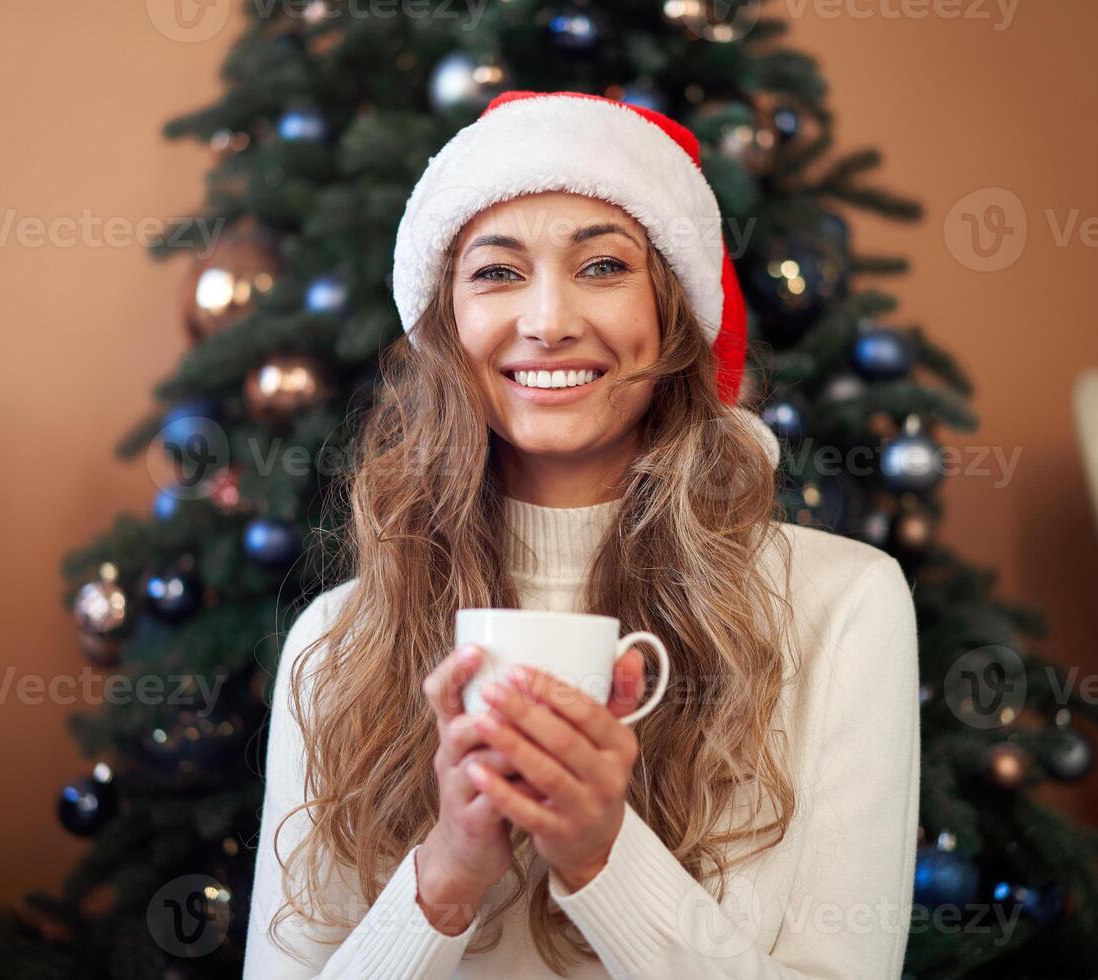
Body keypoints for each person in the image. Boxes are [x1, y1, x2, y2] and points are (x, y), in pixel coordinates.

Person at [243, 89, 920, 979]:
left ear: (670, 314)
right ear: (446, 328)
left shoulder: (842, 608)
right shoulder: (337, 642)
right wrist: (445, 875)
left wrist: (605, 860)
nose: (550, 319)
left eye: (603, 267)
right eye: (496, 272)